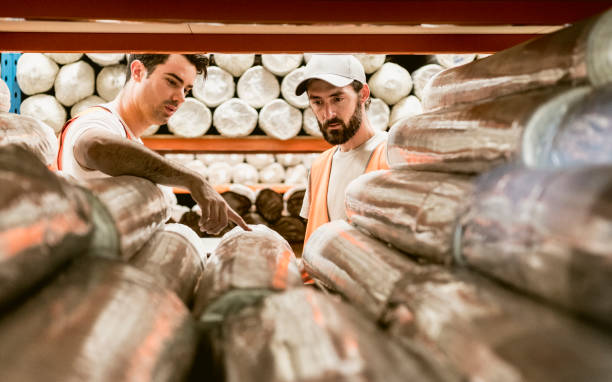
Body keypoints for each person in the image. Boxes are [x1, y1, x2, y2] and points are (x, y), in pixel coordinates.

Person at [57, 53, 248, 234]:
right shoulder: (98, 121)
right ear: (138, 71)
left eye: (187, 89)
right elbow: (95, 146)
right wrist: (193, 180)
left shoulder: (130, 137)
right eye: (172, 82)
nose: (181, 98)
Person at [295, 54, 389, 244]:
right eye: (317, 102)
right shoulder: (319, 166)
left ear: (363, 94)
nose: (328, 114)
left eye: (337, 99)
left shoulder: (392, 156)